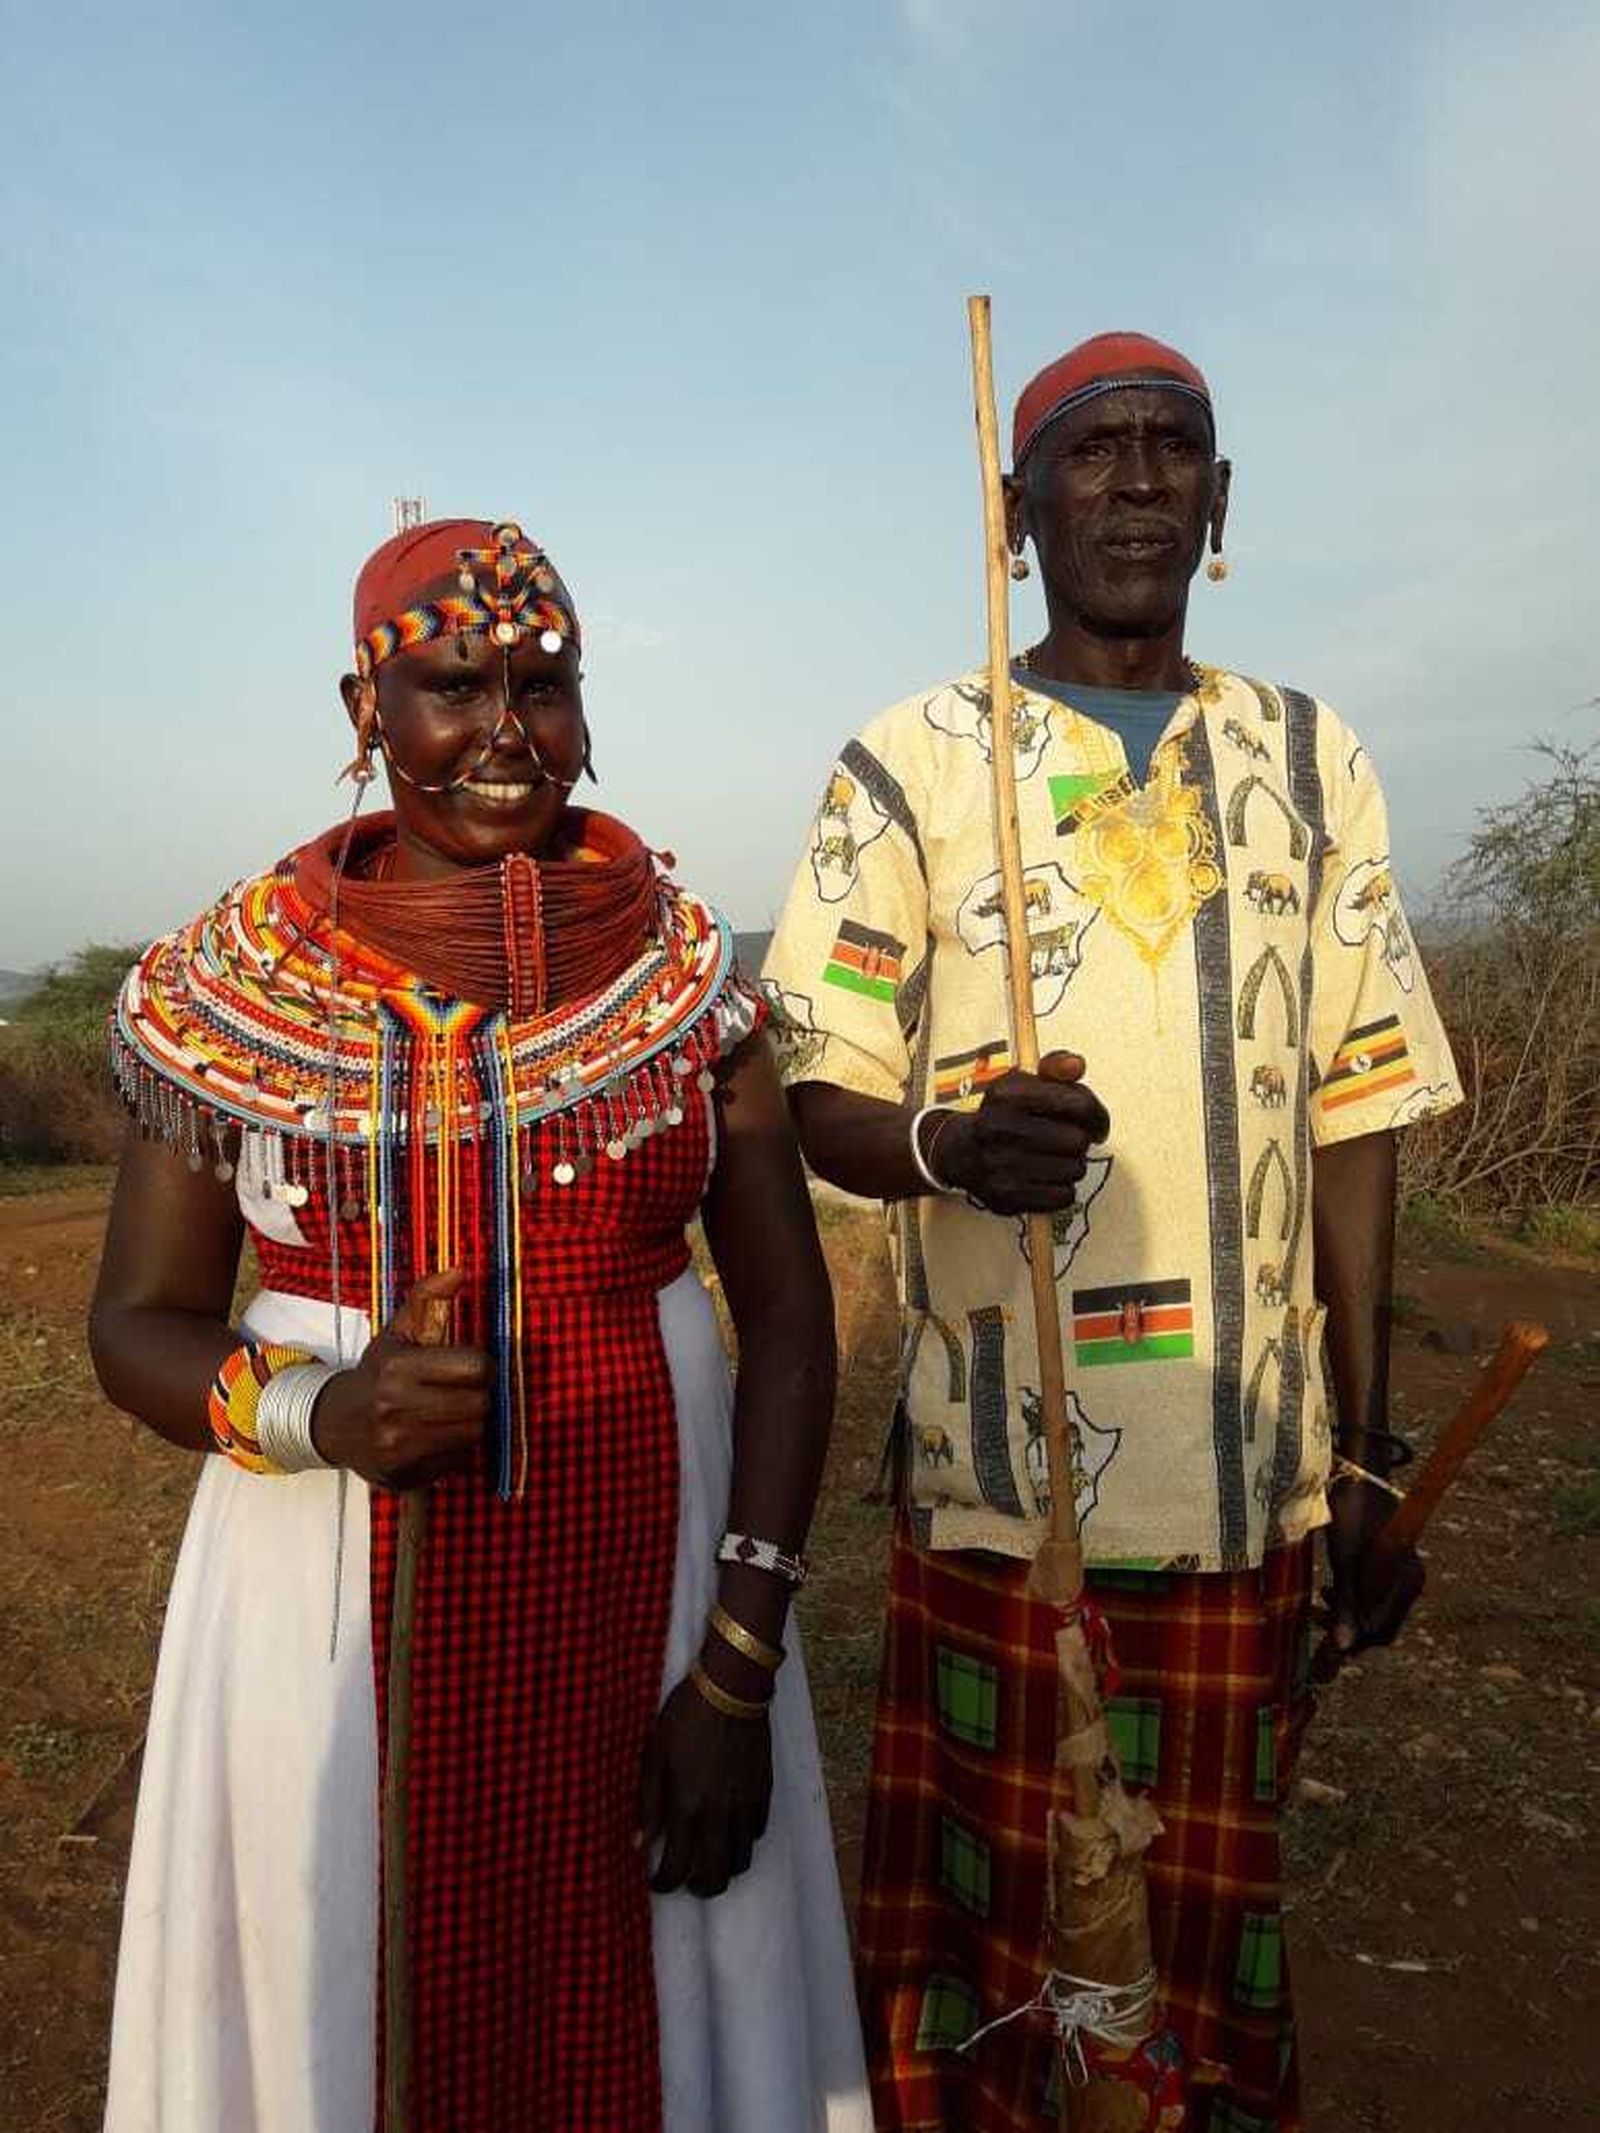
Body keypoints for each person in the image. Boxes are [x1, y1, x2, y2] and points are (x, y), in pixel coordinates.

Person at [90, 517, 871, 2133]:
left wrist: (735, 1669)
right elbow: (136, 1326)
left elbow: (790, 1319)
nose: (508, 733)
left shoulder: (680, 974)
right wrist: (325, 1413)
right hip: (319, 1606)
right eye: (456, 683)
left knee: (651, 1990)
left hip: (655, 1606)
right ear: (367, 703)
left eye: (547, 684)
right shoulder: (230, 987)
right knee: (349, 1986)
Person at [762, 334, 1463, 2131]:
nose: (1138, 481)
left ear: (1219, 507)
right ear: (1017, 514)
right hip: (1008, 1496)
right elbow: (801, 1084)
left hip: (1245, 1484)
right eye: (1093, 454)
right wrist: (949, 1142)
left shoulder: (1312, 759)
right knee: (995, 1985)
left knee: (1200, 1975)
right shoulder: (914, 765)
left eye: (1175, 452)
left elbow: (1360, 1111)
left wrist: (1365, 1455)